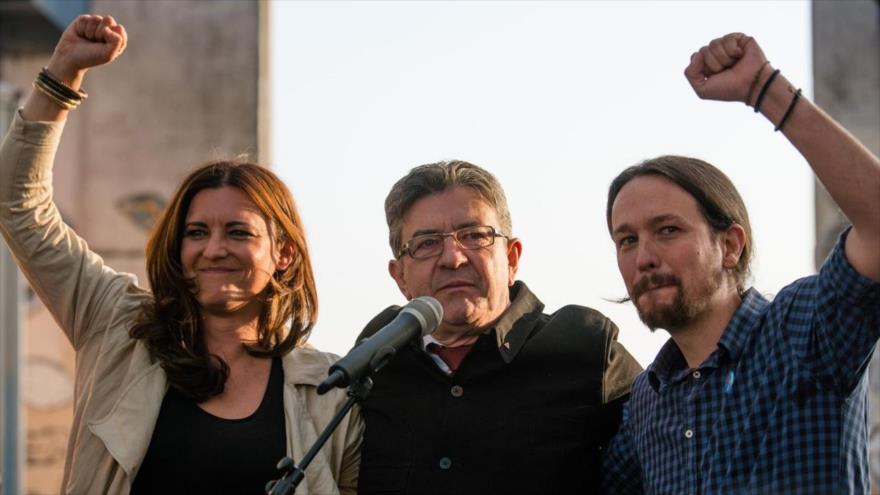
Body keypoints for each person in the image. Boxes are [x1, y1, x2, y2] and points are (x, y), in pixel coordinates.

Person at [0, 15, 361, 494]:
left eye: (238, 232)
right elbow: (19, 205)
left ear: (285, 254)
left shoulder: (330, 395)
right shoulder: (116, 325)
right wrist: (62, 74)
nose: (214, 249)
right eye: (196, 232)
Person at [601, 33, 880, 494]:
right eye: (626, 240)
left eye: (668, 230)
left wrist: (764, 90)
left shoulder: (802, 332)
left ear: (730, 245)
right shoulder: (648, 403)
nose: (644, 258)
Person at [354, 160, 642, 494]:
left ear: (512, 258)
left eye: (475, 236)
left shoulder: (586, 350)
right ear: (400, 277)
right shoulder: (372, 362)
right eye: (428, 243)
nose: (453, 258)